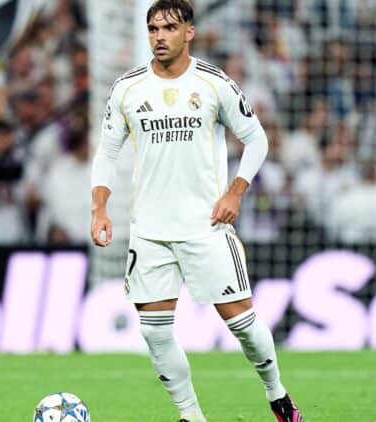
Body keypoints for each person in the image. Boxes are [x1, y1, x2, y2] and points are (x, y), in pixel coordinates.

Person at [89, 1, 302, 421]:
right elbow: (106, 153)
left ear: (189, 32)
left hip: (206, 226)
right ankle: (191, 416)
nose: (159, 36)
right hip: (150, 230)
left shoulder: (213, 83)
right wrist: (99, 209)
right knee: (154, 332)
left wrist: (235, 192)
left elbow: (256, 139)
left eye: (169, 28)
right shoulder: (127, 88)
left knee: (242, 324)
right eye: (153, 29)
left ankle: (277, 394)